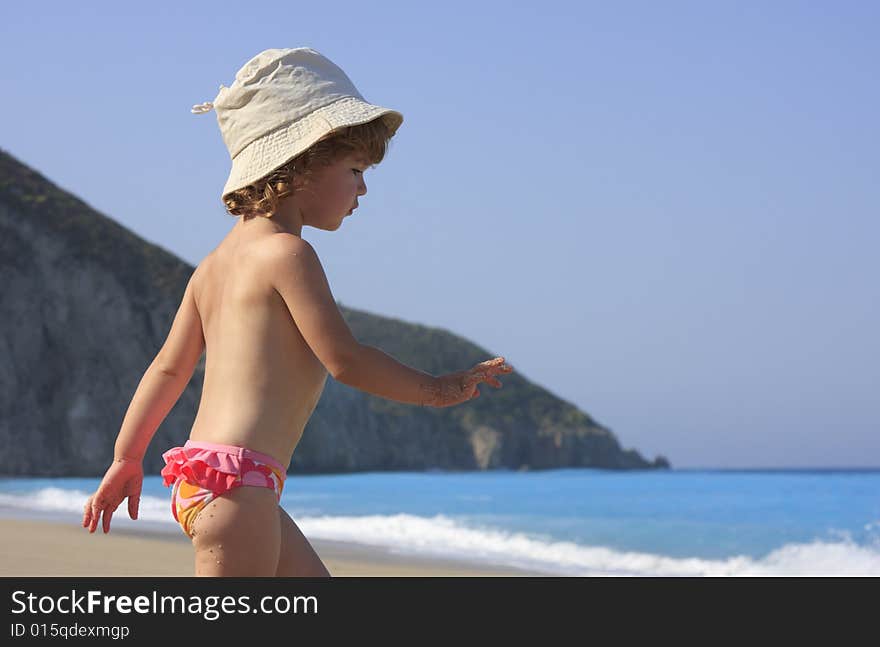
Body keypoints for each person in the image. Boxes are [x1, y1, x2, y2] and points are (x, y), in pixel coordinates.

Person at [81, 47, 514, 577]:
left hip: (216, 479)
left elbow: (168, 369)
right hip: (240, 488)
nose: (363, 187)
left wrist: (127, 457)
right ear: (302, 163)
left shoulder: (212, 267)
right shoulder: (289, 255)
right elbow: (346, 360)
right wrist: (437, 389)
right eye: (355, 169)